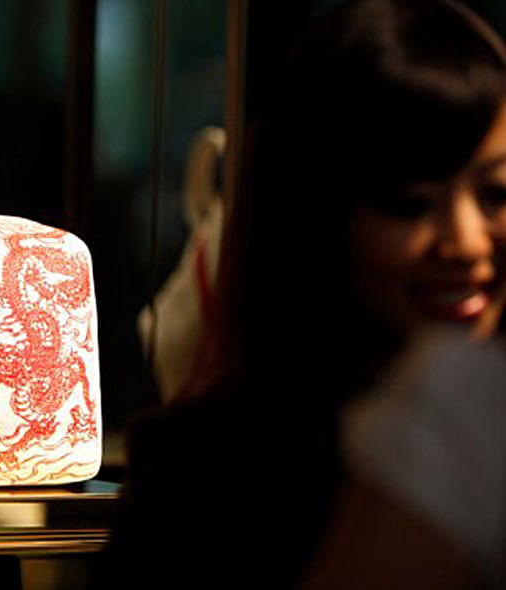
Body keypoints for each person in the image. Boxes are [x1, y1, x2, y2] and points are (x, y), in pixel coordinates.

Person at [92, 1, 506, 588]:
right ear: (319, 214)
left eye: (496, 195)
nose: (465, 243)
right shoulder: (208, 473)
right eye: (410, 204)